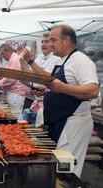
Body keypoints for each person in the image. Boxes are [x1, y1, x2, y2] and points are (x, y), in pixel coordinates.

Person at [21, 25, 99, 177]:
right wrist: (31, 63)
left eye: (53, 40)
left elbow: (93, 90)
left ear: (67, 40)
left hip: (72, 123)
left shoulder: (81, 61)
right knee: (57, 167)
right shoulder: (65, 61)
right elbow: (49, 80)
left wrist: (62, 88)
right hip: (60, 121)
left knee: (67, 169)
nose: (49, 45)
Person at [21, 33, 61, 124]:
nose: (43, 44)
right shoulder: (40, 57)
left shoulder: (56, 58)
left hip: (48, 103)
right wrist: (22, 59)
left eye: (46, 41)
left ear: (53, 44)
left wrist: (31, 61)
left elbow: (47, 78)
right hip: (37, 101)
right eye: (42, 41)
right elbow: (28, 74)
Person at [0, 44, 31, 116]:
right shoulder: (12, 59)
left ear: (8, 51)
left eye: (2, 53)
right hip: (13, 93)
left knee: (15, 116)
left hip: (16, 93)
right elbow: (9, 74)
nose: (2, 56)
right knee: (13, 115)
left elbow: (12, 78)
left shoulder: (15, 59)